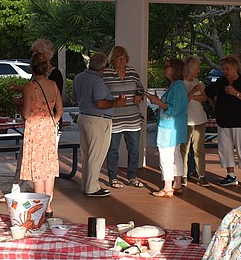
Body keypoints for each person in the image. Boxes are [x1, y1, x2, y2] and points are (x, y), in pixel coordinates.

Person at [20, 51, 63, 214]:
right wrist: (52, 121)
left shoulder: (30, 87)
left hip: (35, 129)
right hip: (49, 128)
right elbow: (59, 110)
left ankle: (40, 206)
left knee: (38, 169)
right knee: (49, 168)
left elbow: (26, 114)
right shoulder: (53, 85)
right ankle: (49, 206)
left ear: (32, 68)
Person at [205, 55, 241, 189]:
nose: (225, 71)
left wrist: (236, 93)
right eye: (223, 69)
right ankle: (230, 175)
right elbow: (208, 93)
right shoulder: (220, 82)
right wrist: (216, 107)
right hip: (224, 121)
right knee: (225, 149)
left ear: (235, 68)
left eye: (227, 69)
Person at [73, 52, 115, 197]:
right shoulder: (97, 81)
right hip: (98, 120)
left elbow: (75, 99)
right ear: (103, 67)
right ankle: (92, 187)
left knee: (87, 154)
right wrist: (116, 102)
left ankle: (87, 185)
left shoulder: (79, 77)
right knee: (96, 154)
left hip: (83, 117)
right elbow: (100, 103)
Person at [103, 46, 145, 188]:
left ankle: (132, 177)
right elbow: (99, 94)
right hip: (114, 119)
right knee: (113, 150)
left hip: (132, 118)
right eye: (119, 59)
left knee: (134, 150)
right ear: (113, 60)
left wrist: (139, 95)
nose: (123, 61)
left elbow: (141, 89)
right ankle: (113, 178)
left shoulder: (132, 72)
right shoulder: (106, 74)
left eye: (124, 58)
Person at [147, 59, 188, 197]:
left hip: (169, 127)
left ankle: (167, 187)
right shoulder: (178, 85)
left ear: (174, 69)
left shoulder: (176, 86)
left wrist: (158, 102)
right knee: (176, 155)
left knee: (166, 156)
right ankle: (177, 183)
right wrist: (159, 101)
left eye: (168, 67)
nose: (165, 69)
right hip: (176, 127)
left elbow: (172, 109)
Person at [180, 56, 210, 186]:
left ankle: (201, 174)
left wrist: (193, 95)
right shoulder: (181, 83)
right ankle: (182, 174)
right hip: (186, 120)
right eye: (197, 67)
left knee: (199, 149)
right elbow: (182, 101)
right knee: (184, 149)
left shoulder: (197, 81)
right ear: (190, 67)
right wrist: (193, 93)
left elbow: (204, 98)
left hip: (199, 119)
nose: (199, 70)